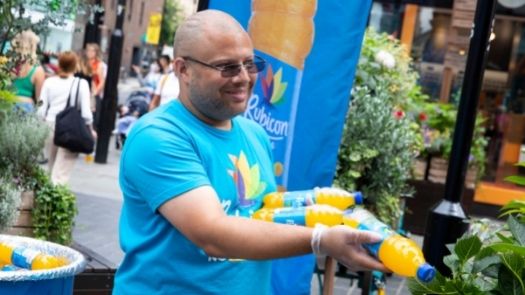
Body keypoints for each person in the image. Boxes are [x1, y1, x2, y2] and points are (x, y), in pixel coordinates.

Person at [113, 10, 387, 294]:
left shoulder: (254, 134)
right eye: (227, 67)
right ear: (183, 70)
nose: (243, 77)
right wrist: (321, 239)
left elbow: (260, 212)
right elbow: (212, 234)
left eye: (249, 63)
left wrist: (334, 218)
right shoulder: (158, 136)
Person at [37, 51, 96, 185]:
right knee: (61, 173)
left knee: (51, 168)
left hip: (50, 125)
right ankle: (55, 202)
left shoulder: (49, 82)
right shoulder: (81, 84)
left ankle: (45, 200)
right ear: (75, 65)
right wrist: (90, 130)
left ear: (59, 64)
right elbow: (86, 113)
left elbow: (40, 109)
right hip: (71, 128)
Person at [11, 30, 46, 113]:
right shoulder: (38, 70)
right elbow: (39, 99)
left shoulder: (7, 64)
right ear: (33, 47)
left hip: (6, 105)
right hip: (26, 109)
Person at [85, 43, 107, 128]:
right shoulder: (84, 63)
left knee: (91, 115)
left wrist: (95, 92)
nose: (89, 52)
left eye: (92, 51)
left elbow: (102, 81)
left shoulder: (99, 64)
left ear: (96, 52)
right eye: (88, 50)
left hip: (92, 92)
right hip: (84, 90)